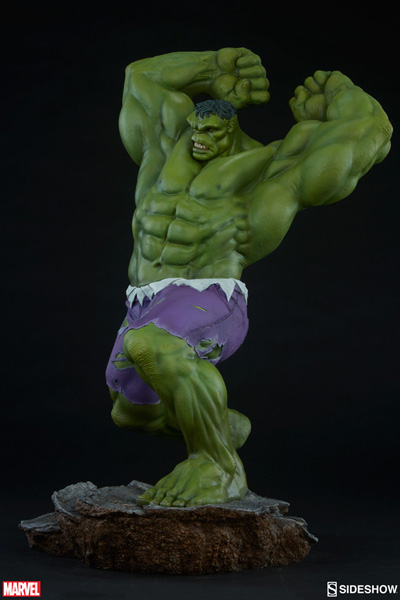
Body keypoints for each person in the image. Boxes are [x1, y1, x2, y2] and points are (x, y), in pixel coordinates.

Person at [106, 48, 392, 507]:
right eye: (195, 128)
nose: (198, 138)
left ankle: (217, 465)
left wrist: (339, 93)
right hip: (144, 302)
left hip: (209, 299)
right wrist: (214, 67)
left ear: (232, 131)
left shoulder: (270, 169)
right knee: (132, 413)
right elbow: (139, 76)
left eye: (211, 132)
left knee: (151, 346)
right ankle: (220, 425)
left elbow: (371, 132)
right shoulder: (164, 148)